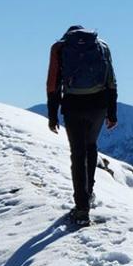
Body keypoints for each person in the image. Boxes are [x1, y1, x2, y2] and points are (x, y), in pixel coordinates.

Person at [46, 26, 118, 226]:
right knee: (91, 146)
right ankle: (89, 192)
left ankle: (81, 208)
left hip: (73, 106)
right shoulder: (102, 46)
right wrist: (112, 113)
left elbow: (52, 85)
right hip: (98, 106)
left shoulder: (59, 48)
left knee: (78, 154)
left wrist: (52, 115)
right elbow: (111, 82)